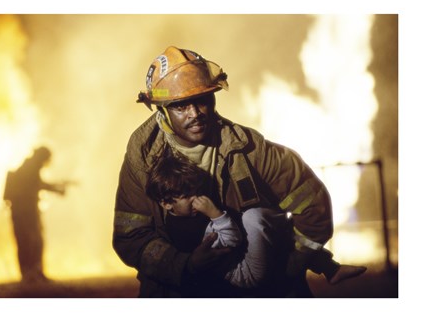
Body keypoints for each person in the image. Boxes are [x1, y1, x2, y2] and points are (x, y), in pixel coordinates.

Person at [113, 46, 365, 297]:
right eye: (181, 106)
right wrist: (185, 265)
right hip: (181, 286)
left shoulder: (250, 148)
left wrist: (287, 267)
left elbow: (313, 206)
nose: (196, 113)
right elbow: (131, 236)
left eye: (202, 100)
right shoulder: (142, 157)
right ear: (163, 111)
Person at [146, 154, 367, 296]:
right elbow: (232, 240)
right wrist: (215, 214)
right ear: (166, 203)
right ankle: (326, 267)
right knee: (254, 218)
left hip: (245, 263)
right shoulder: (183, 230)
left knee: (272, 224)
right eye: (187, 196)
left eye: (197, 193)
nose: (197, 200)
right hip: (245, 275)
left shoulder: (188, 215)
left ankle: (329, 268)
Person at [4, 146, 67, 283]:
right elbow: (36, 185)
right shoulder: (30, 168)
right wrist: (56, 189)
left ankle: (33, 273)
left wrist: (56, 187)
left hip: (24, 211)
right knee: (30, 241)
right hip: (25, 212)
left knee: (32, 241)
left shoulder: (28, 167)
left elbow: (37, 184)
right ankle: (30, 273)